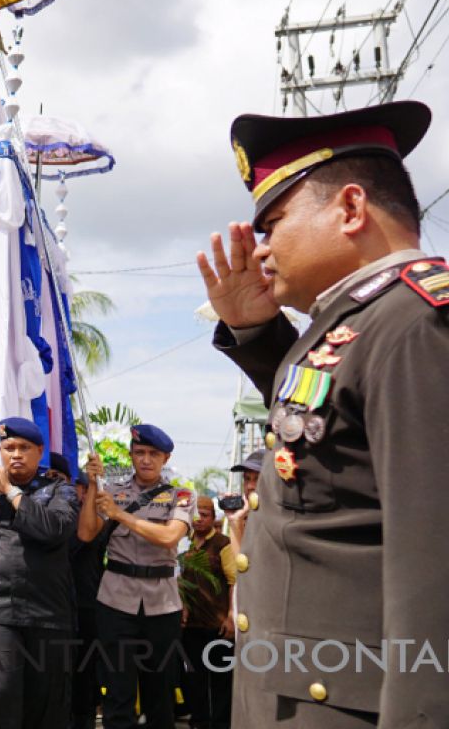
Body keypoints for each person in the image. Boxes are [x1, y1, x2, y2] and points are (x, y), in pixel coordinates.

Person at [197, 100, 448, 727]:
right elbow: (328, 439)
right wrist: (257, 331)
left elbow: (434, 568)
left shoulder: (417, 321)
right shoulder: (367, 321)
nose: (261, 251)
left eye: (273, 224)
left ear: (352, 209)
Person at [0, 417, 79, 729]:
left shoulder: (60, 491)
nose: (16, 454)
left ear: (39, 451)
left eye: (24, 448)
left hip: (48, 614)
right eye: (9, 448)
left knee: (46, 712)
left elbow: (54, 530)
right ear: (0, 452)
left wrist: (10, 491)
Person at [78, 424, 194, 729]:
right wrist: (92, 486)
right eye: (139, 452)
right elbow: (86, 533)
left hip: (163, 604)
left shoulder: (180, 496)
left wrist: (120, 515)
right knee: (117, 692)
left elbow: (170, 537)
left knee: (160, 694)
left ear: (165, 458)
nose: (145, 459)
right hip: (115, 602)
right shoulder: (112, 491)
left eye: (153, 454)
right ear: (130, 454)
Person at [179, 496, 236, 729]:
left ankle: (221, 724)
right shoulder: (184, 543)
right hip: (190, 624)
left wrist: (232, 615)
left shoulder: (223, 544)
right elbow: (177, 578)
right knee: (194, 679)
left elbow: (234, 581)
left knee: (221, 680)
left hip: (219, 624)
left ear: (213, 519)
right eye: (196, 514)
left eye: (205, 515)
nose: (199, 519)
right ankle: (199, 722)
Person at [69, 472, 105, 729]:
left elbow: (84, 538)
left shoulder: (95, 520)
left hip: (86, 605)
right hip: (52, 606)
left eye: (73, 486)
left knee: (84, 674)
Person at [223, 448, 263, 551]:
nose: (250, 486)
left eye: (257, 479)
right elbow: (241, 562)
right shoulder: (245, 517)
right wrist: (235, 520)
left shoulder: (281, 517)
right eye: (247, 479)